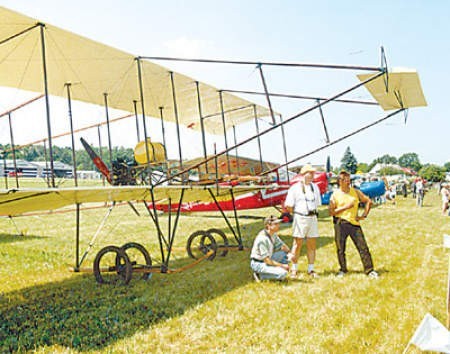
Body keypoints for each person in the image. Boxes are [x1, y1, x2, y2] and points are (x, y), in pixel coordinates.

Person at [328, 170, 378, 279]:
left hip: (354, 224)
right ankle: (343, 270)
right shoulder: (335, 195)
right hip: (340, 223)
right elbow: (331, 212)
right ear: (339, 182)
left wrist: (363, 215)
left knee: (363, 247)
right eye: (345, 180)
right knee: (340, 249)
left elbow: (368, 201)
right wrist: (346, 207)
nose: (347, 182)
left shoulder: (355, 192)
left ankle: (369, 270)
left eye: (348, 180)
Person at [284, 164, 322, 278]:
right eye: (308, 173)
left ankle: (311, 269)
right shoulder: (294, 188)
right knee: (297, 244)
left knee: (312, 244)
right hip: (300, 218)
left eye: (312, 173)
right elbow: (289, 206)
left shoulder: (315, 187)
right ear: (303, 174)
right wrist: (298, 213)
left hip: (312, 218)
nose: (311, 175)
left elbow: (317, 203)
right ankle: (294, 269)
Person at [250, 215, 291, 281]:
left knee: (285, 255)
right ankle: (260, 275)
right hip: (258, 263)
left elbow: (282, 246)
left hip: (267, 259)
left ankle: (272, 270)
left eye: (278, 223)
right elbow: (267, 260)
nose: (278, 225)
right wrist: (282, 266)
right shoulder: (262, 239)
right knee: (283, 273)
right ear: (268, 226)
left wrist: (290, 253)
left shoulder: (273, 234)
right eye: (276, 224)